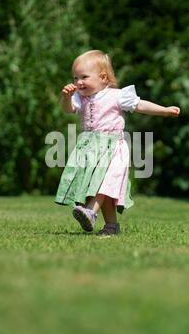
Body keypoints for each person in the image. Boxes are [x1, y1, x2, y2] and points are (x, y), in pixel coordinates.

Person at [55, 50, 180, 236]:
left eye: (84, 77)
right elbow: (68, 109)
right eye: (75, 77)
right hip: (89, 148)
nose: (78, 82)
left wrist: (165, 110)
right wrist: (66, 98)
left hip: (113, 147)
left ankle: (90, 211)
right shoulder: (80, 98)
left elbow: (140, 105)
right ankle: (111, 226)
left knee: (105, 182)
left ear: (103, 77)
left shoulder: (117, 95)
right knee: (95, 185)